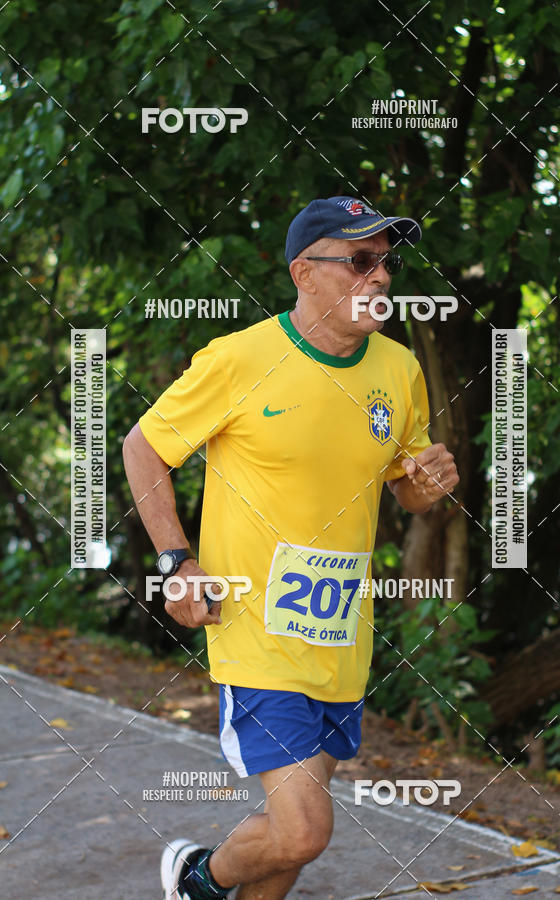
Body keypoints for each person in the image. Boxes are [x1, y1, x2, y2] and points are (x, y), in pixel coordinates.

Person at [122, 196, 459, 900]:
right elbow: (143, 448)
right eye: (360, 261)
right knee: (305, 828)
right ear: (305, 273)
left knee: (290, 841)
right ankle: (195, 878)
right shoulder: (241, 358)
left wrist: (431, 482)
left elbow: (407, 490)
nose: (381, 278)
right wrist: (176, 562)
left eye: (386, 262)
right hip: (253, 628)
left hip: (340, 631)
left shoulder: (397, 371)